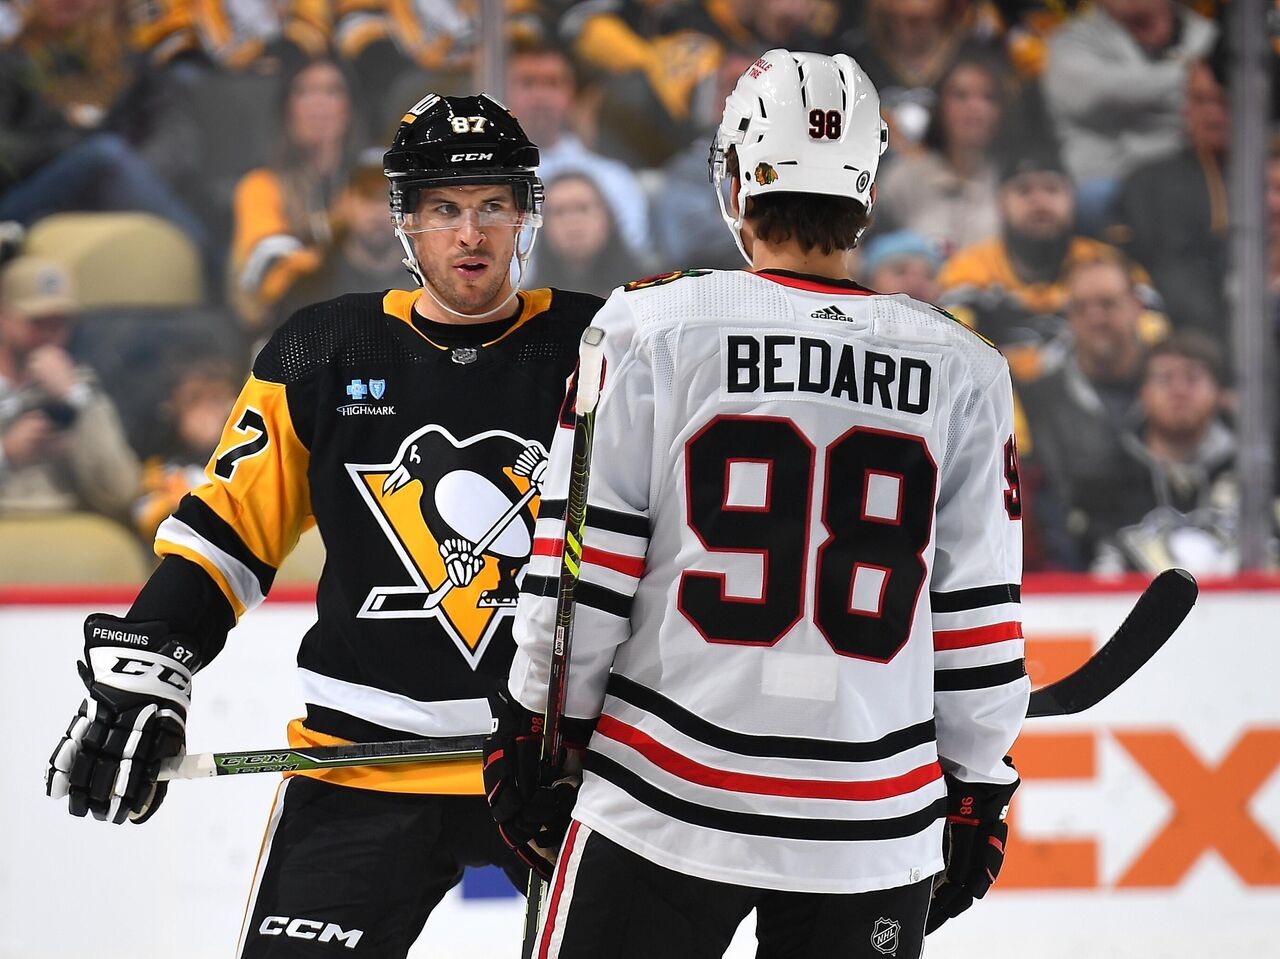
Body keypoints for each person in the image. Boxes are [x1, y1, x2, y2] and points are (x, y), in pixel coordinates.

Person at [484, 49, 1028, 958]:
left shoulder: (649, 325)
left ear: (736, 176)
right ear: (866, 188)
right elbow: (977, 614)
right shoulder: (964, 367)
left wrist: (543, 731)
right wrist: (977, 783)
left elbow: (584, 577)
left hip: (664, 795)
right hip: (871, 821)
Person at [45, 93, 604, 957]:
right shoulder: (324, 351)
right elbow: (229, 533)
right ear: (405, 220)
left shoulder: (602, 345)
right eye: (444, 208)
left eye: (493, 204)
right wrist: (153, 662)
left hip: (559, 766)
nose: (471, 234)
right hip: (363, 759)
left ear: (525, 214)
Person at [938, 142, 1165, 383]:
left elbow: (1153, 333)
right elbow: (950, 345)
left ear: (1073, 200)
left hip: (1094, 387)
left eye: (1052, 189)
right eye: (1024, 191)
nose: (1039, 201)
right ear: (1001, 203)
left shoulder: (1110, 265)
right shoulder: (969, 266)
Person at [1018, 252, 1157, 569]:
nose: (1095, 319)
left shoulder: (1176, 384)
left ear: (1137, 306)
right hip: (1073, 568)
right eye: (1081, 308)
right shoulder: (1036, 399)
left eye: (1108, 304)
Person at [1042, 0, 1216, 231]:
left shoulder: (1209, 36)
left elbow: (1227, 94)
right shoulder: (1071, 41)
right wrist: (1191, 78)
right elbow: (1093, 96)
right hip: (1108, 180)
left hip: (1194, 177)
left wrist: (1133, 97)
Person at [1089, 331, 1244, 574]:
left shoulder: (1253, 476)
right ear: (1142, 393)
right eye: (1165, 378)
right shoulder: (1106, 481)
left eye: (1193, 378)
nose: (1179, 391)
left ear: (1218, 393)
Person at [0, 254, 141, 519]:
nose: (49, 335)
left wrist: (75, 399)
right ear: (4, 317)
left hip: (68, 525)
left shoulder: (80, 388)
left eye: (60, 322)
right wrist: (6, 453)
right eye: (37, 322)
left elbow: (122, 491)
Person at [228, 56, 356, 336]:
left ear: (349, 108)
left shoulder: (371, 182)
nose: (318, 104)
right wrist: (342, 228)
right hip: (288, 335)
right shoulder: (261, 186)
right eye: (304, 92)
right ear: (287, 109)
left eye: (331, 91)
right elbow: (270, 278)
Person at [1105, 58, 1230, 338]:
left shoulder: (1268, 182)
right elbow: (1125, 271)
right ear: (1185, 106)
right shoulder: (1145, 185)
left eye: (1224, 102)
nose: (1212, 114)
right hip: (1172, 340)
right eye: (1200, 100)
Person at [528, 172, 648, 298]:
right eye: (559, 212)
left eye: (583, 208)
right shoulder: (529, 302)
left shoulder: (646, 291)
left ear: (608, 217)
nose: (572, 222)